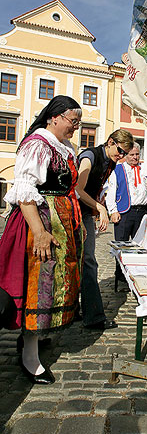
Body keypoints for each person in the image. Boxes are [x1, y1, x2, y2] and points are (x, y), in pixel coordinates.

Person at [0, 95, 84, 385]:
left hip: (60, 223)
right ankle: (29, 355)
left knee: (53, 283)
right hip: (40, 224)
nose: (76, 127)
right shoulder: (37, 144)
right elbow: (24, 189)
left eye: (78, 122)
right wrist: (39, 232)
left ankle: (34, 340)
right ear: (54, 117)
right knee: (38, 285)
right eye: (73, 121)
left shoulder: (65, 147)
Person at [76, 129, 134, 329]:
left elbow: (95, 188)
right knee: (88, 262)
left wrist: (98, 203)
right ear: (110, 142)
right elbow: (77, 189)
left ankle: (75, 310)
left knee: (81, 261)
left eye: (124, 154)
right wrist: (99, 207)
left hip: (85, 213)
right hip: (73, 213)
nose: (121, 156)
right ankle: (93, 316)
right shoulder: (90, 156)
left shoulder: (111, 162)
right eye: (120, 151)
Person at [105, 142, 147, 291]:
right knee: (122, 246)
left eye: (137, 154)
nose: (135, 157)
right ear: (125, 155)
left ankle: (137, 275)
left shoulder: (144, 170)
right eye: (131, 154)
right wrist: (113, 210)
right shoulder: (118, 170)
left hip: (142, 212)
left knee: (141, 246)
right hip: (125, 212)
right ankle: (120, 276)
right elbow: (111, 191)